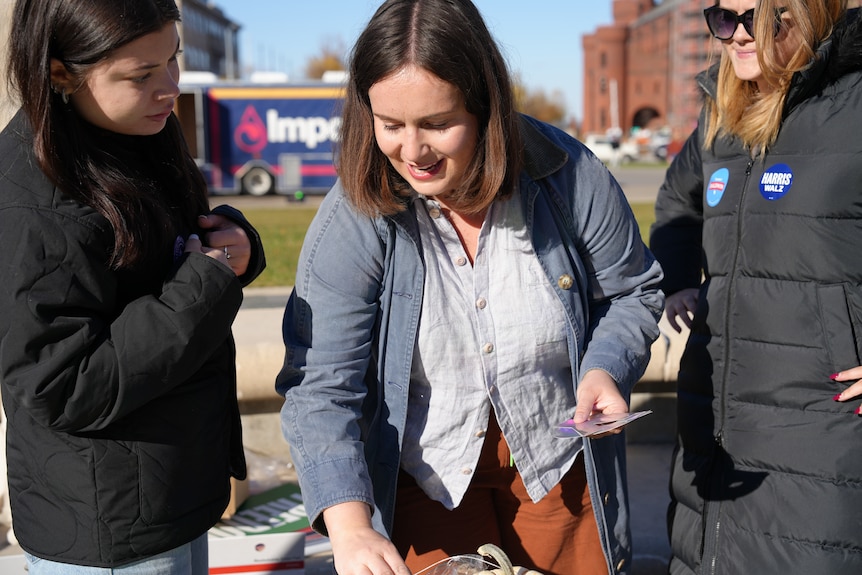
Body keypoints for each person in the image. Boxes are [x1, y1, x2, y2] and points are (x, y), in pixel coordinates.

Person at [276, 1, 664, 574]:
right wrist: (351, 524)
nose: (413, 152)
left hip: (557, 460)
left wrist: (605, 366)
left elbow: (633, 291)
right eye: (390, 125)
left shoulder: (569, 173)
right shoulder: (353, 216)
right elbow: (320, 383)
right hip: (424, 472)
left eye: (437, 124)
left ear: (486, 105)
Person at [0, 0, 266, 572]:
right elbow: (61, 386)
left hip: (167, 494)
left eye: (173, 59)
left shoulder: (129, 127)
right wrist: (205, 282)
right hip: (111, 533)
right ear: (59, 72)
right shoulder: (34, 202)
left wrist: (233, 243)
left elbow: (165, 255)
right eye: (141, 75)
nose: (171, 87)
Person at [650, 1, 862, 573]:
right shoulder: (721, 112)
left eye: (765, 18)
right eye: (724, 18)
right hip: (711, 431)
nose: (738, 36)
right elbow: (677, 202)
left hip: (822, 436)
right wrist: (674, 280)